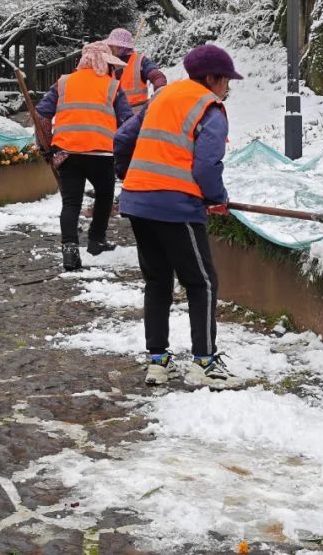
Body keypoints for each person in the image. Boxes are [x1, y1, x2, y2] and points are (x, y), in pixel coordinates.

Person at [113, 44, 243, 389]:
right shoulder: (209, 108)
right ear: (212, 79)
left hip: (138, 202)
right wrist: (217, 199)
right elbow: (206, 165)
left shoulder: (163, 97)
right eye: (227, 80)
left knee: (157, 282)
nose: (228, 88)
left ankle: (158, 362)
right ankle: (205, 363)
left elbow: (124, 136)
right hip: (176, 206)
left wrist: (132, 178)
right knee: (202, 282)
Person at [34, 41, 134, 271]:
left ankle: (69, 248)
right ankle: (96, 240)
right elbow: (128, 122)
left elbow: (42, 115)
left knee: (71, 202)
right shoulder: (113, 86)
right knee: (105, 195)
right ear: (104, 64)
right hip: (101, 153)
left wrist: (46, 146)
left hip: (68, 153)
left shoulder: (64, 82)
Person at [106, 27, 168, 109]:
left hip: (135, 114)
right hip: (113, 115)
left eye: (112, 46)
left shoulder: (140, 61)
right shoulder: (108, 63)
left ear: (121, 47)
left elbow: (157, 77)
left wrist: (158, 91)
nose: (109, 48)